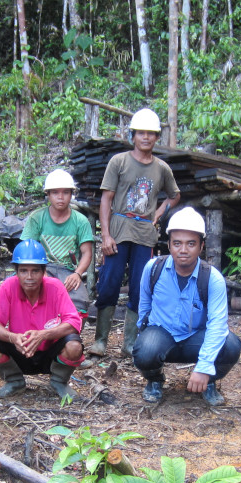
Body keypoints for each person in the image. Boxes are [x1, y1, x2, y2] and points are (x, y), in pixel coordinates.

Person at [91, 107, 181, 358]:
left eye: (151, 133)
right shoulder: (118, 162)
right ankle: (100, 341)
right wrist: (106, 235)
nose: (146, 137)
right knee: (109, 282)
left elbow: (174, 196)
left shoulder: (162, 168)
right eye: (141, 133)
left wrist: (158, 214)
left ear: (156, 138)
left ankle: (129, 344)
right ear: (132, 135)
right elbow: (106, 200)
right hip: (119, 230)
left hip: (144, 233)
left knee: (140, 288)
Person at [132, 207, 241, 406]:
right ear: (169, 245)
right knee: (145, 349)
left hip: (195, 338)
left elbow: (218, 324)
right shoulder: (153, 268)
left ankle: (209, 381)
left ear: (201, 246)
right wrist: (144, 333)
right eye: (177, 243)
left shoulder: (212, 278)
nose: (183, 250)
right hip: (161, 333)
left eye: (191, 244)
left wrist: (204, 366)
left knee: (231, 345)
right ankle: (155, 379)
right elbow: (144, 304)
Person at [0, 240, 84, 402]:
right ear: (16, 272)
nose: (29, 277)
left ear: (43, 272)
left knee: (74, 346)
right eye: (23, 271)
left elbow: (74, 322)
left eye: (35, 271)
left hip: (50, 352)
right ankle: (14, 382)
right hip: (18, 351)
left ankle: (59, 381)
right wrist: (13, 337)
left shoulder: (55, 287)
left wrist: (44, 334)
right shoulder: (8, 286)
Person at [20, 169, 94, 313]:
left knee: (79, 302)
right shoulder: (37, 218)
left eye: (65, 192)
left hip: (67, 270)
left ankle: (70, 334)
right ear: (48, 194)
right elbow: (26, 249)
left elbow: (87, 253)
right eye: (55, 192)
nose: (60, 197)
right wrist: (39, 272)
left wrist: (77, 274)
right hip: (39, 267)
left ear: (71, 194)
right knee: (18, 293)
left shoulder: (80, 221)